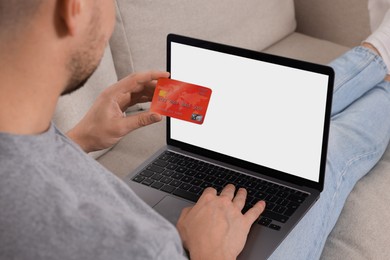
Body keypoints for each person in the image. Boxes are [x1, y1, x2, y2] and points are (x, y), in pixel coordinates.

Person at [0, 1, 389, 260]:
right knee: (331, 152)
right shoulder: (141, 246)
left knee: (291, 110)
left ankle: (375, 54)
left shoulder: (21, 136)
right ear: (74, 8)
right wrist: (207, 253)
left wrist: (79, 137)